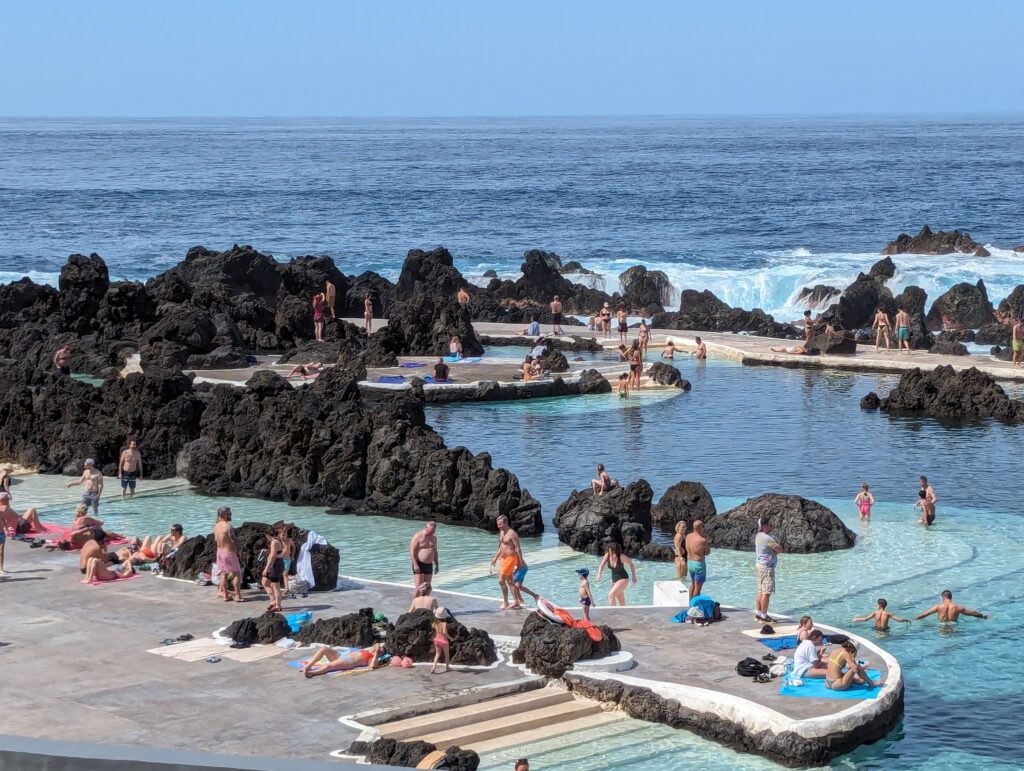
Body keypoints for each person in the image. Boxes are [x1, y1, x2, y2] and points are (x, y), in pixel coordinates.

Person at [491, 515, 526, 610]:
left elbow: (517, 548)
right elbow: (502, 547)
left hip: (511, 559)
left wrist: (520, 561)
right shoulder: (501, 532)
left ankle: (506, 602)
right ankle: (517, 601)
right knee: (510, 581)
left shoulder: (512, 534)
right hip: (503, 559)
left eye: (500, 524)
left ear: (506, 523)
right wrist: (495, 557)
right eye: (498, 524)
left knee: (501, 580)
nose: (499, 526)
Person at [754, 518, 782, 622]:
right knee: (766, 593)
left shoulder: (758, 536)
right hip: (767, 568)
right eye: (770, 524)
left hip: (759, 565)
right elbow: (779, 549)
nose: (771, 526)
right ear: (764, 526)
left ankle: (758, 613)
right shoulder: (767, 538)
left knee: (760, 590)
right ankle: (764, 616)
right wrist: (775, 552)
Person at [302, 642, 387, 677]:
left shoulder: (372, 659)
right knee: (324, 649)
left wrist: (376, 655)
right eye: (378, 649)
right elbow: (377, 644)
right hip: (342, 656)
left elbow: (372, 666)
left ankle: (311, 673)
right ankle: (309, 665)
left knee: (328, 666)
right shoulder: (370, 650)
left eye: (380, 651)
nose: (377, 650)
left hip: (348, 662)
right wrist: (378, 648)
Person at [214, 507, 243, 603]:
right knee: (236, 573)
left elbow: (216, 540)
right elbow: (233, 540)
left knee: (223, 574)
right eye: (229, 513)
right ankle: (238, 596)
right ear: (224, 515)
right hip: (229, 553)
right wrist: (238, 550)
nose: (231, 515)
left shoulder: (216, 526)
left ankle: (225, 595)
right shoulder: (228, 527)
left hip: (219, 552)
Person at [914, 590, 989, 624]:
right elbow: (973, 613)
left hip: (941, 626)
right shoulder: (958, 607)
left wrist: (914, 619)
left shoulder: (938, 606)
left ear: (943, 597)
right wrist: (984, 616)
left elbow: (925, 614)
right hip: (953, 626)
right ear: (951, 597)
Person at [409, 520, 440, 596]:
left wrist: (437, 565)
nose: (432, 533)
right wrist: (415, 564)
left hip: (429, 565)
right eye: (430, 531)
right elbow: (412, 551)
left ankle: (424, 605)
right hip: (419, 564)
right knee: (419, 588)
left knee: (427, 588)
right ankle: (414, 606)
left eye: (433, 531)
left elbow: (435, 552)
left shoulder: (434, 538)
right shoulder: (418, 536)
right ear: (426, 528)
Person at [684, 519, 711, 598]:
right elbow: (707, 552)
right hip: (698, 564)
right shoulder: (702, 540)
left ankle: (690, 604)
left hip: (690, 563)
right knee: (698, 588)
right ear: (700, 528)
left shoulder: (688, 536)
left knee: (693, 584)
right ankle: (695, 606)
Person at [261, 527, 285, 612]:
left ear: (268, 534)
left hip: (275, 564)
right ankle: (273, 600)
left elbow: (273, 556)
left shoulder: (274, 541)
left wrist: (267, 568)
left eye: (266, 536)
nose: (266, 537)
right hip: (277, 562)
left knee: (276, 586)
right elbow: (277, 552)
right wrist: (269, 552)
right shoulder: (278, 539)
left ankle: (278, 605)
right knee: (265, 582)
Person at [276, 522, 296, 597]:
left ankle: (287, 588)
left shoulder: (289, 540)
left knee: (285, 574)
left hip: (287, 559)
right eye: (282, 535)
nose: (284, 536)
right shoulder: (278, 541)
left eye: (285, 534)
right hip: (280, 559)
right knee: (279, 573)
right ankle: (280, 587)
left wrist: (293, 555)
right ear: (279, 535)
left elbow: (294, 547)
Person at [430, 606, 451, 674]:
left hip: (437, 640)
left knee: (437, 654)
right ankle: (447, 667)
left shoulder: (435, 623)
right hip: (444, 641)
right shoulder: (444, 623)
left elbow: (432, 626)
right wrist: (450, 638)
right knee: (447, 655)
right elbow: (444, 632)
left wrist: (435, 617)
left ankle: (433, 667)